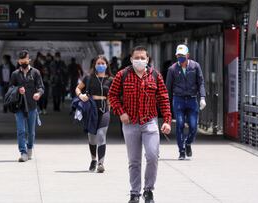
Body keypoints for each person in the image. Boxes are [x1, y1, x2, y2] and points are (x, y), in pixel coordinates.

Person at [108, 46, 172, 203]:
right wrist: (121, 112)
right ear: (131, 59)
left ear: (148, 59)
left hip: (150, 122)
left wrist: (167, 121)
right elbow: (112, 95)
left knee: (152, 156)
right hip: (130, 123)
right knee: (134, 160)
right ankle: (134, 193)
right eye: (137, 57)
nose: (140, 60)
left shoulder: (155, 75)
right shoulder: (122, 75)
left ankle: (148, 190)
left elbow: (163, 98)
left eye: (143, 58)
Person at [166, 44, 207, 160]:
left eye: (182, 55)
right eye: (178, 55)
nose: (180, 57)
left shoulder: (195, 66)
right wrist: (166, 105)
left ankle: (188, 142)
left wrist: (202, 97)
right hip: (178, 100)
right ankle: (181, 151)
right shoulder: (172, 69)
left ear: (187, 55)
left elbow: (201, 83)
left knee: (193, 126)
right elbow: (167, 87)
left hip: (192, 99)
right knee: (179, 124)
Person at [75, 55, 113, 173]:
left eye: (103, 63)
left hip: (104, 110)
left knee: (101, 135)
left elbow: (113, 95)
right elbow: (78, 88)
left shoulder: (111, 80)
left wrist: (110, 106)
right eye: (98, 63)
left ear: (106, 65)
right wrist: (81, 96)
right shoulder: (88, 78)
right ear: (94, 65)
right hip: (91, 109)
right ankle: (93, 160)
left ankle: (101, 163)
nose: (101, 65)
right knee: (92, 137)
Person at [10, 50, 44, 162]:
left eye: (25, 60)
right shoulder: (15, 74)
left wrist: (38, 93)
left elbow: (41, 87)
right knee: (21, 130)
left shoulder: (35, 73)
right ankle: (23, 152)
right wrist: (18, 90)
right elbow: (10, 89)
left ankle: (29, 148)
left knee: (31, 132)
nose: (23, 62)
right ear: (19, 61)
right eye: (21, 61)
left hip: (32, 106)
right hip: (19, 106)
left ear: (29, 60)